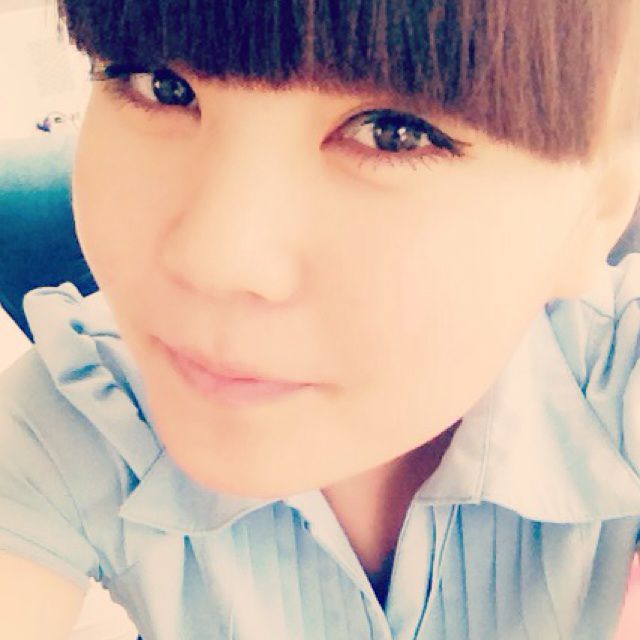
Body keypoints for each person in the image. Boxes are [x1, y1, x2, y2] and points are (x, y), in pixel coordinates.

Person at [1, 0, 640, 638]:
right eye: (162, 86)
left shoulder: (619, 383)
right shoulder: (82, 415)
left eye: (393, 132)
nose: (211, 261)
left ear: (596, 211)